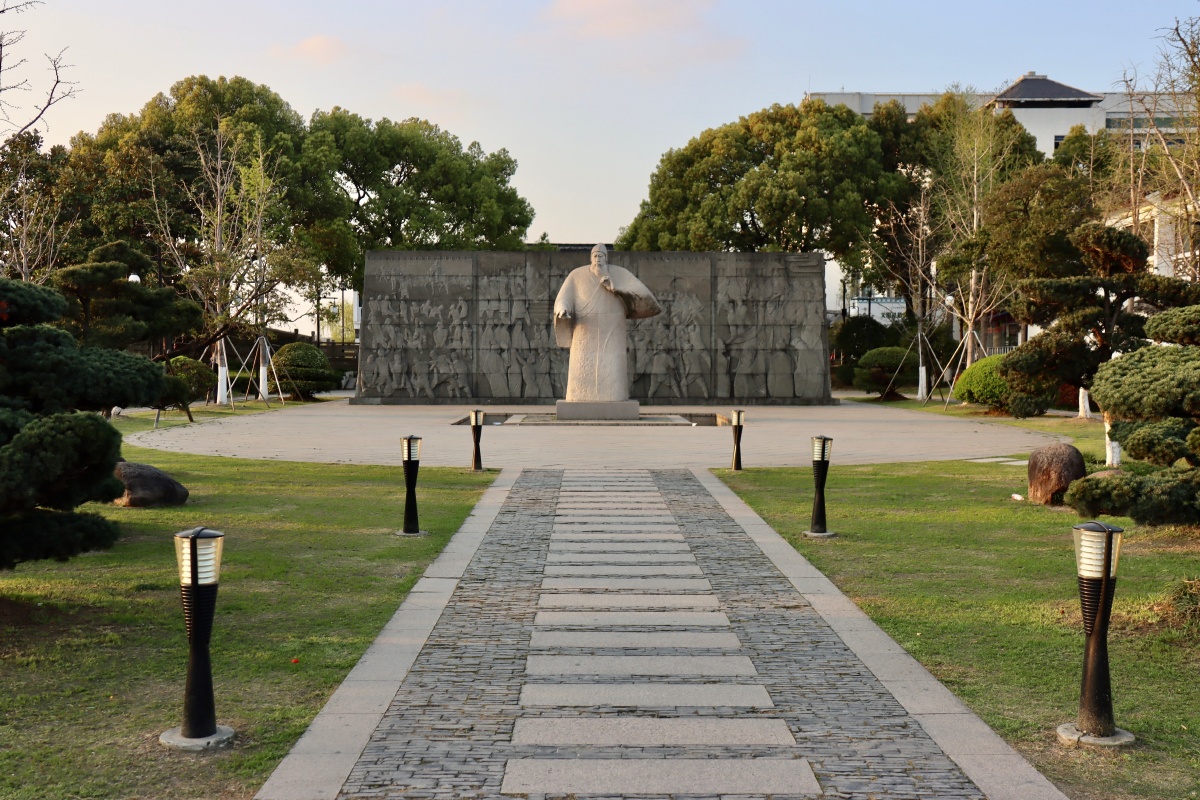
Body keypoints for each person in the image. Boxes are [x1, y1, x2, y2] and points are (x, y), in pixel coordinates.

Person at [553, 244, 661, 402]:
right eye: (595, 256)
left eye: (601, 256)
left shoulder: (620, 274)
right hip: (584, 335)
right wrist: (563, 308)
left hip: (612, 335)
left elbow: (650, 302)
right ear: (591, 258)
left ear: (606, 258)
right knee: (583, 375)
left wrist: (617, 289)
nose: (598, 259)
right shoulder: (576, 276)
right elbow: (563, 298)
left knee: (613, 379)